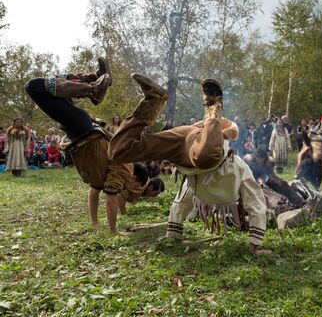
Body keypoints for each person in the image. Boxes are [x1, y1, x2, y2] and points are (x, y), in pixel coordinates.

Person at [107, 73, 271, 255]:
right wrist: (173, 236)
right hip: (189, 137)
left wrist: (254, 246)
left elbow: (255, 201)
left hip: (197, 150)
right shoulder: (223, 160)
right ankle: (154, 101)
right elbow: (182, 201)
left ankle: (211, 106)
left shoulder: (237, 167)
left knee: (204, 156)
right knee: (118, 151)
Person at [25, 57, 137, 233]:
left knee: (47, 83)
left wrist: (95, 224)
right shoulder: (125, 167)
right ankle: (93, 88)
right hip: (82, 129)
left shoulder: (105, 175)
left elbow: (96, 194)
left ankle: (93, 80)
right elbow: (110, 196)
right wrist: (114, 231)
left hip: (80, 130)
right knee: (34, 86)